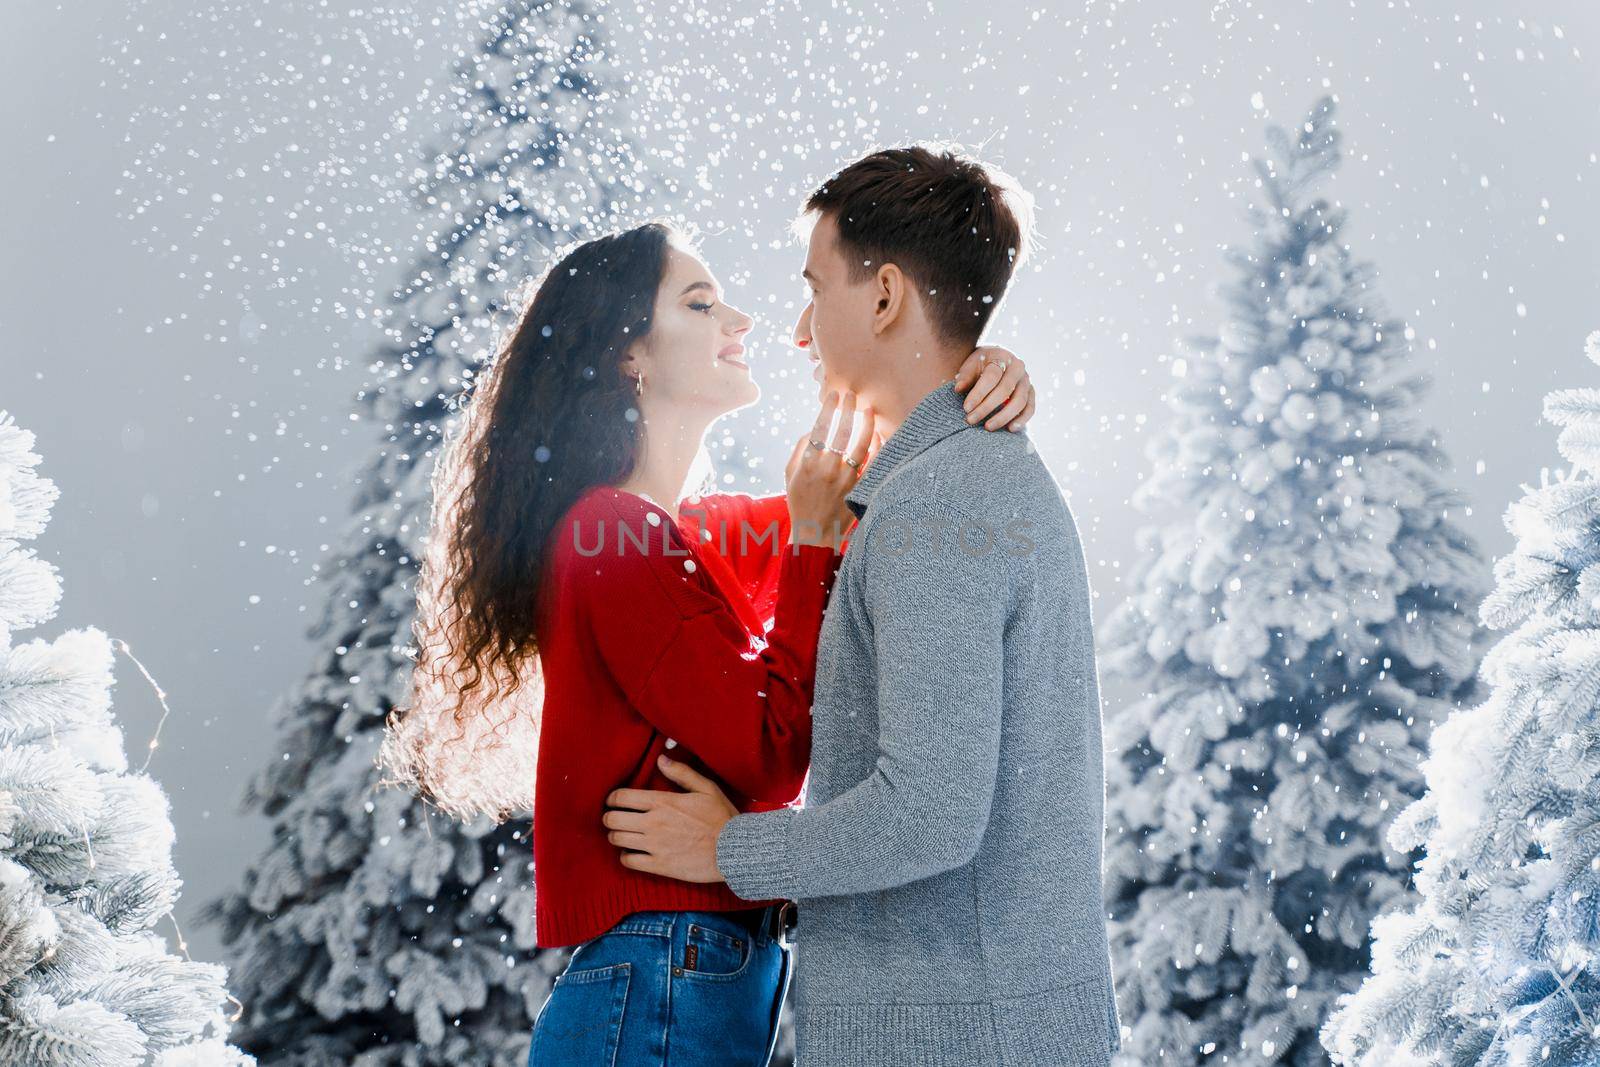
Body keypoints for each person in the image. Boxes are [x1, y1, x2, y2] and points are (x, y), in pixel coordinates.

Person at [382, 219, 1038, 1067]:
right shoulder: (608, 534)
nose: (741, 319)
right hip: (664, 974)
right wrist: (808, 535)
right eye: (699, 302)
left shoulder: (670, 534)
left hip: (682, 974)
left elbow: (868, 493)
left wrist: (982, 378)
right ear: (630, 356)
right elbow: (769, 751)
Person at [604, 146, 1122, 1066]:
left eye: (817, 289)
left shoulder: (943, 498)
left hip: (954, 1037)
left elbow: (928, 811)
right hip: (981, 1026)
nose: (801, 330)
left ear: (884, 297)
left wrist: (729, 849)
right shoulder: (949, 481)